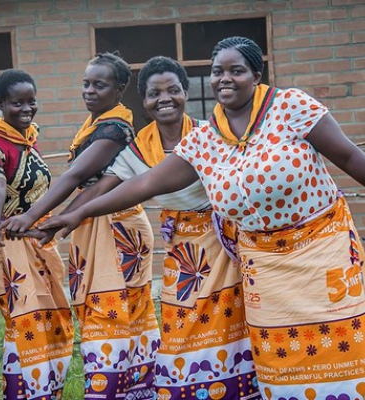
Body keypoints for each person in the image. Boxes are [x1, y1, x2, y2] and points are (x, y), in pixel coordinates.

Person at [40, 36, 365, 399]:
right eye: (217, 72)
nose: (225, 78)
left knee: (338, 350)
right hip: (262, 268)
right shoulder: (206, 140)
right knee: (281, 361)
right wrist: (77, 214)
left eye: (236, 70)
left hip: (322, 254)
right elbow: (145, 183)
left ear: (256, 75)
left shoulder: (290, 106)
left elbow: (350, 157)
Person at [43, 55, 260, 399]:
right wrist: (67, 217)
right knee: (178, 325)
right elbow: (105, 187)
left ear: (185, 93)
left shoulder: (210, 135)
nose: (164, 99)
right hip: (182, 251)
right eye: (154, 94)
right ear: (143, 100)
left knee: (228, 324)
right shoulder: (139, 148)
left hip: (223, 246)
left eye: (173, 90)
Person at [1, 53, 160, 400]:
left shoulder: (115, 129)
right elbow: (91, 188)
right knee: (101, 310)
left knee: (113, 312)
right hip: (95, 222)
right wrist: (58, 222)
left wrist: (31, 217)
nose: (89, 90)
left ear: (119, 89)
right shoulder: (96, 124)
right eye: (86, 83)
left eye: (99, 85)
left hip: (117, 228)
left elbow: (75, 176)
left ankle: (115, 390)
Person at [0, 69, 74, 400]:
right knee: (26, 324)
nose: (27, 109)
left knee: (52, 321)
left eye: (31, 101)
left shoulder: (28, 137)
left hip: (38, 243)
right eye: (18, 103)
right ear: (0, 103)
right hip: (11, 244)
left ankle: (47, 391)